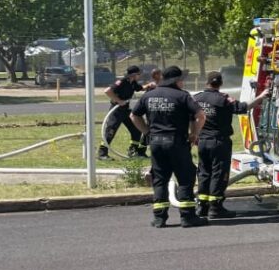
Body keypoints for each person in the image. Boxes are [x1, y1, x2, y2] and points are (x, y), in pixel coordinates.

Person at [130, 66, 205, 228]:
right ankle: (188, 217)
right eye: (181, 79)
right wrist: (195, 133)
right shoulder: (182, 96)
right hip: (176, 142)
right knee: (185, 177)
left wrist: (147, 132)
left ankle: (159, 218)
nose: (183, 82)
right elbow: (200, 115)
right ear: (176, 80)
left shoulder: (149, 95)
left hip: (156, 143)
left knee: (160, 178)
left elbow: (134, 115)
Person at [194, 71, 269, 218]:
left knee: (204, 173)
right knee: (219, 173)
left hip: (202, 141)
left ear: (206, 83)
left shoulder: (196, 98)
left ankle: (201, 207)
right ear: (221, 83)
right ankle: (215, 208)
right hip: (219, 142)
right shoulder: (223, 99)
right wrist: (261, 96)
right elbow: (244, 108)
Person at [99, 65, 154, 159]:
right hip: (116, 111)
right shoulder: (122, 81)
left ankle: (133, 151)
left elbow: (140, 88)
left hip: (125, 111)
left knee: (136, 130)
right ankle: (102, 154)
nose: (140, 76)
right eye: (138, 74)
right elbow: (107, 91)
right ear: (133, 74)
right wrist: (118, 100)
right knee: (110, 131)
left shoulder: (133, 82)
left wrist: (149, 85)